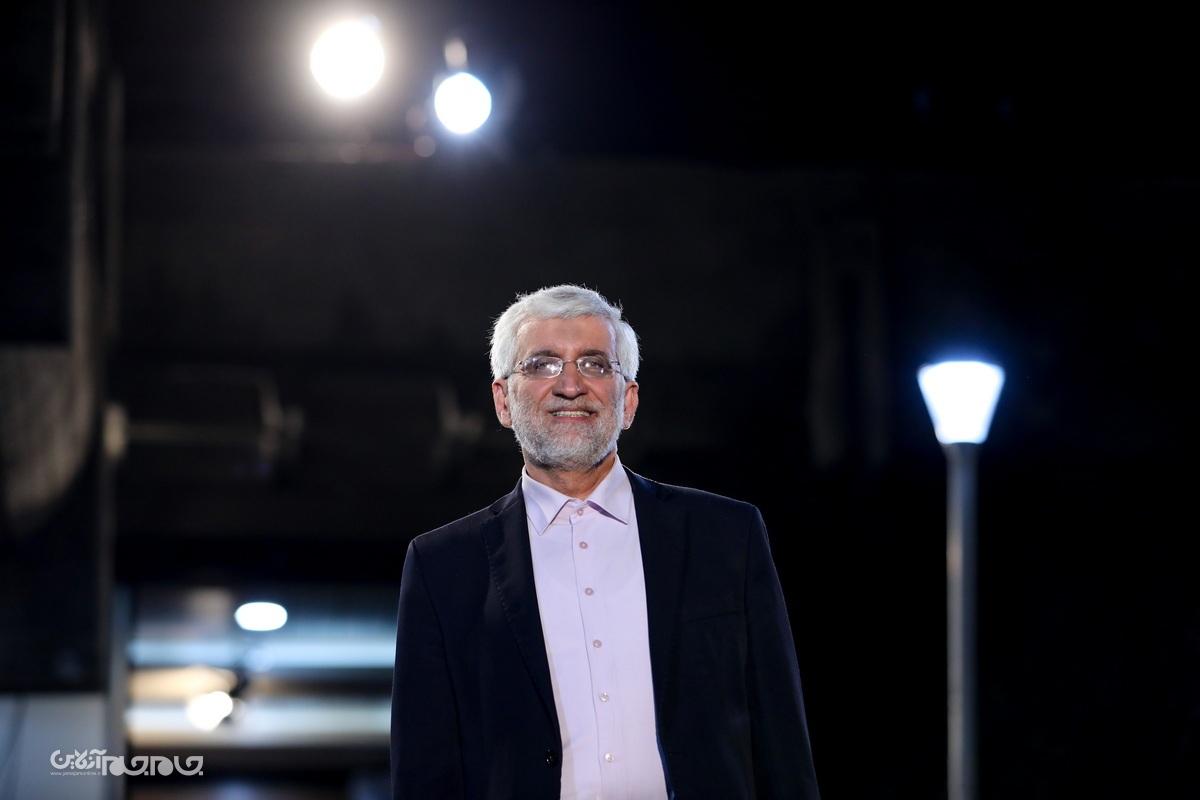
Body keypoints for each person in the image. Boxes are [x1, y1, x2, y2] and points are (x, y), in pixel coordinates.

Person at [391, 285, 819, 799]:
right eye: (543, 364)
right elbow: (424, 772)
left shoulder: (727, 536)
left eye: (594, 364)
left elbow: (781, 744)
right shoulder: (442, 566)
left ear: (628, 400)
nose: (570, 384)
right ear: (503, 400)